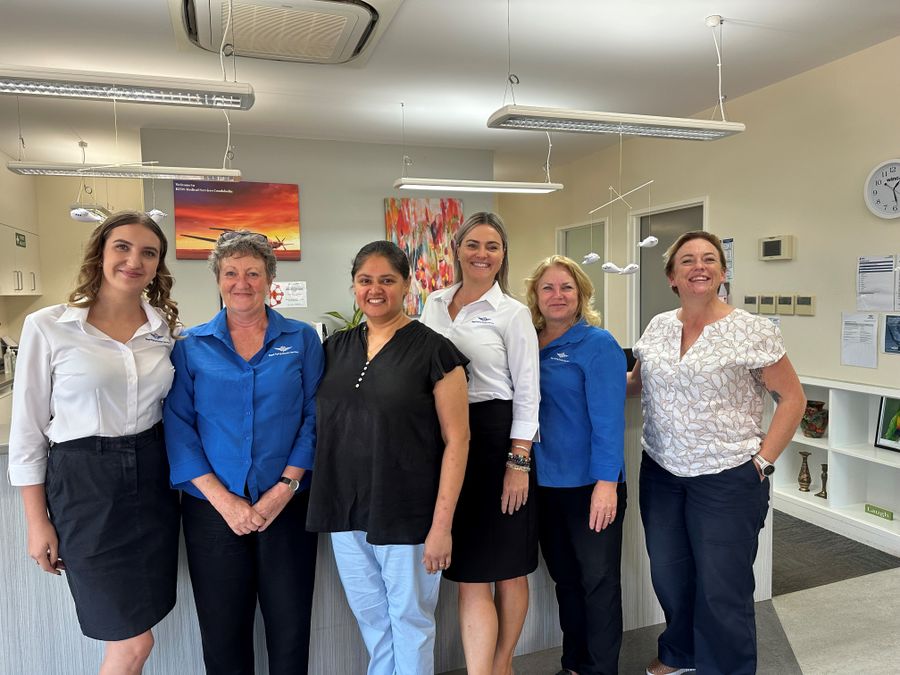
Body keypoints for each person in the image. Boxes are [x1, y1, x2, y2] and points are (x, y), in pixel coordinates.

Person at [9, 210, 181, 675]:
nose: (134, 261)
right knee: (133, 642)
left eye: (148, 252)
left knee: (140, 632)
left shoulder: (163, 330)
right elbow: (27, 431)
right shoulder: (49, 326)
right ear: (100, 253)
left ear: (158, 264)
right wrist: (37, 522)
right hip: (84, 485)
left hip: (153, 482)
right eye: (122, 247)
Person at [628, 231, 805, 675]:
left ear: (723, 273)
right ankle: (681, 652)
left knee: (722, 585)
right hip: (662, 472)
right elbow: (637, 384)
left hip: (727, 477)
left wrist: (763, 461)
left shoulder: (752, 330)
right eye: (687, 260)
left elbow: (793, 399)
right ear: (672, 277)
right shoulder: (658, 326)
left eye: (709, 259)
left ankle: (726, 668)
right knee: (669, 574)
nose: (699, 266)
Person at [306, 240, 469, 675]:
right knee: (372, 620)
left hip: (408, 512)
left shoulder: (435, 351)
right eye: (365, 280)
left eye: (387, 280)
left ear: (406, 285)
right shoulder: (334, 348)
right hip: (346, 510)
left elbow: (458, 441)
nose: (375, 290)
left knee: (410, 621)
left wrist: (441, 527)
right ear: (353, 286)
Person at [163, 231, 323, 674]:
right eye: (231, 273)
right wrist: (224, 501)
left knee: (290, 630)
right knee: (223, 635)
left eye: (253, 273)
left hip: (287, 507)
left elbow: (314, 418)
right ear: (218, 279)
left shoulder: (302, 339)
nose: (242, 283)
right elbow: (179, 427)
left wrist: (284, 489)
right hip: (212, 511)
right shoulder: (190, 345)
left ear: (270, 279)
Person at [420, 212, 540, 675]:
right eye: (473, 244)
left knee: (507, 567)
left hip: (496, 440)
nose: (482, 254)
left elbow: (528, 392)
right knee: (470, 572)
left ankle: (502, 664)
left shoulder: (512, 313)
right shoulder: (433, 303)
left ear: (503, 255)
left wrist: (518, 462)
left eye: (492, 246)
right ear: (457, 249)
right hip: (447, 441)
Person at [525, 255, 627, 675]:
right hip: (543, 484)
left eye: (566, 287)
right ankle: (574, 665)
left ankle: (600, 669)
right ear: (535, 296)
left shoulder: (597, 344)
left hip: (590, 486)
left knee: (598, 583)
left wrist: (607, 484)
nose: (557, 295)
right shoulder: (527, 342)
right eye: (547, 287)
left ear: (581, 294)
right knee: (566, 581)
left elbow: (609, 420)